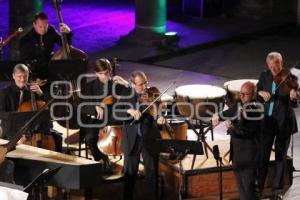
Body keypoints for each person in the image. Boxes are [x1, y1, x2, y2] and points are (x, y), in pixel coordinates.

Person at [115, 70, 165, 200]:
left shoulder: (152, 94)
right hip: (132, 140)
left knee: (152, 174)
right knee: (129, 175)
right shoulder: (126, 95)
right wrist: (129, 110)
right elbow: (115, 112)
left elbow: (158, 112)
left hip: (149, 138)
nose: (145, 87)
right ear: (132, 85)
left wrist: (160, 120)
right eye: (141, 84)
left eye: (146, 83)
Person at [256, 52, 298, 200]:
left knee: (280, 158)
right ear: (267, 65)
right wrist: (260, 92)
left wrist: (294, 97)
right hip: (267, 123)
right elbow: (255, 94)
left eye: (277, 64)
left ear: (282, 63)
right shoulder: (264, 76)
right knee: (262, 157)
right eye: (271, 65)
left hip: (283, 124)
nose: (275, 68)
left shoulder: (290, 78)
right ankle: (258, 188)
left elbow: (294, 103)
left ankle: (276, 191)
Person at [212, 82, 263, 200]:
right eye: (241, 93)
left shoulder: (257, 109)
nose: (242, 96)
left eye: (246, 94)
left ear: (254, 94)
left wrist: (232, 128)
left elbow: (246, 132)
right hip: (237, 157)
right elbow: (228, 113)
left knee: (250, 193)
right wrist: (218, 115)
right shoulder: (239, 104)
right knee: (242, 194)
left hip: (249, 159)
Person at [80, 58, 129, 163]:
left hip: (114, 119)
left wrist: (126, 84)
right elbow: (83, 106)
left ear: (110, 71)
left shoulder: (117, 84)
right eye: (100, 74)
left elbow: (131, 97)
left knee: (129, 134)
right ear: (96, 73)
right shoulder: (90, 86)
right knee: (90, 138)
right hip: (97, 120)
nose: (104, 76)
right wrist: (95, 107)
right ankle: (102, 160)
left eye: (106, 73)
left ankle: (128, 162)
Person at [19, 12, 72, 79]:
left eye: (45, 26)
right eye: (40, 26)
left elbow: (65, 44)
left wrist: (68, 33)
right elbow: (25, 62)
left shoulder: (51, 31)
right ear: (34, 25)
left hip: (50, 68)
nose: (43, 29)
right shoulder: (26, 40)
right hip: (35, 71)